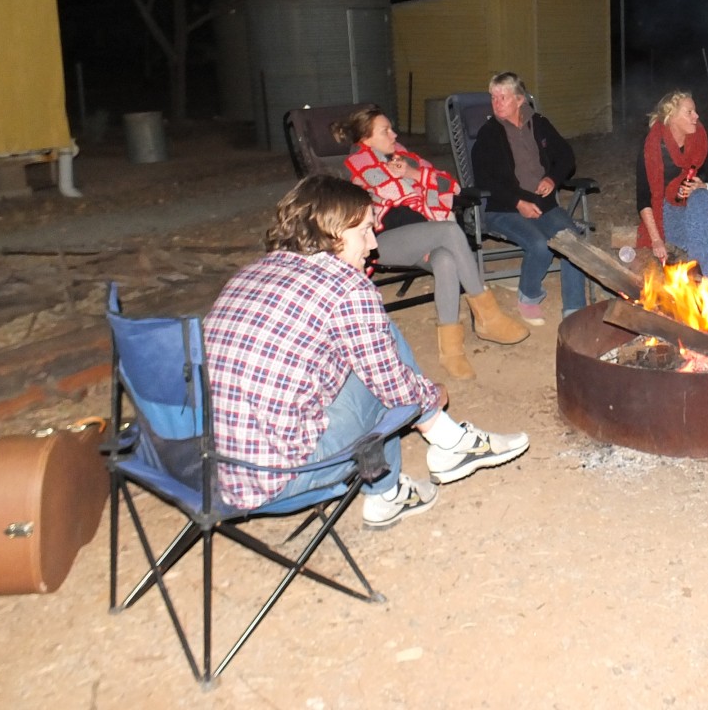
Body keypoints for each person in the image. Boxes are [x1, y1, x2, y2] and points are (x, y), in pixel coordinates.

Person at [203, 175, 529, 530]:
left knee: (369, 347)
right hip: (281, 476)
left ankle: (430, 457)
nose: (373, 245)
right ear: (332, 232)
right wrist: (429, 397)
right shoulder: (346, 286)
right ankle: (434, 455)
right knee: (387, 376)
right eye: (364, 232)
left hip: (212, 468)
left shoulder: (252, 273)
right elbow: (393, 387)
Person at [333, 106, 526, 382]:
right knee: (449, 231)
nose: (394, 134)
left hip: (421, 235)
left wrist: (413, 174)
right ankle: (488, 316)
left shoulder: (404, 157)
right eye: (385, 131)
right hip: (382, 241)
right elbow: (392, 190)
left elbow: (452, 186)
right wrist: (416, 181)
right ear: (366, 138)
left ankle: (451, 352)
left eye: (392, 129)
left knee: (445, 259)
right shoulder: (359, 162)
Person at [471, 72, 591, 324]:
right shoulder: (488, 134)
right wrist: (518, 202)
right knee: (539, 244)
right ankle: (529, 296)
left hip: (543, 204)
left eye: (503, 97)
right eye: (493, 97)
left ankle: (574, 310)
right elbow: (484, 179)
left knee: (572, 242)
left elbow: (566, 156)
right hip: (503, 208)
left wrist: (552, 179)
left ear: (519, 100)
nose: (496, 103)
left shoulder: (539, 123)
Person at [637, 90, 708, 274]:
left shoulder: (702, 139)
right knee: (699, 232)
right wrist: (656, 239)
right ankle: (707, 277)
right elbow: (643, 197)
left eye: (695, 111)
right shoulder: (652, 144)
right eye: (689, 112)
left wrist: (704, 185)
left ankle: (699, 274)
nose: (696, 116)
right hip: (667, 209)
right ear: (671, 116)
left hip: (698, 205)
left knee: (701, 198)